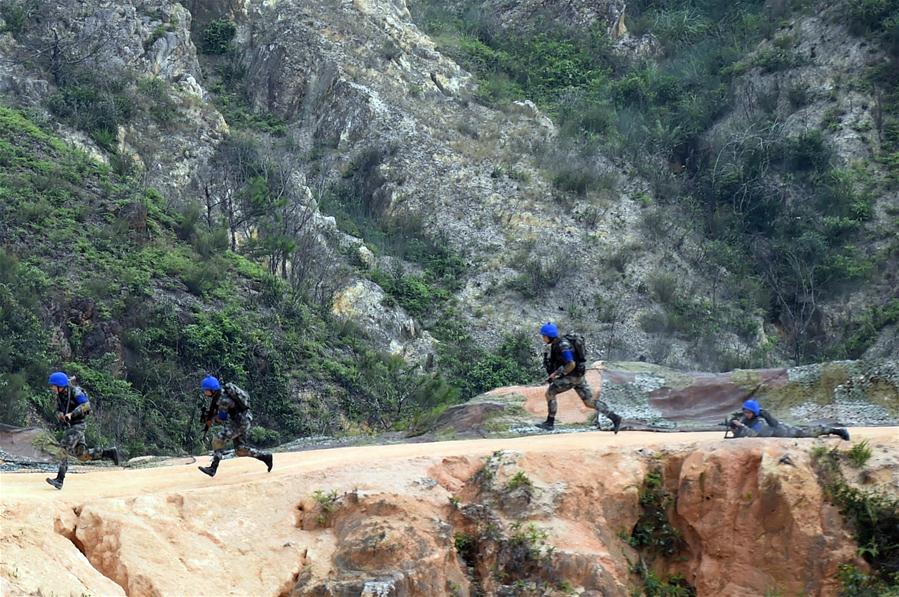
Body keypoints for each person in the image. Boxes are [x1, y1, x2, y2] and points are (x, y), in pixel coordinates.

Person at [536, 322, 622, 433]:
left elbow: (571, 364)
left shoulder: (563, 346)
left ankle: (550, 423)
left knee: (550, 393)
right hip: (578, 376)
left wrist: (558, 374)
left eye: (543, 336)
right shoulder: (557, 344)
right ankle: (615, 417)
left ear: (549, 336)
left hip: (572, 376)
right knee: (589, 402)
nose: (543, 338)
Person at [45, 372, 121, 490]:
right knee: (82, 455)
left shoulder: (75, 392)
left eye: (54, 386)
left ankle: (59, 479)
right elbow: (59, 409)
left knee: (63, 448)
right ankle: (109, 453)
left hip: (78, 425)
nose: (52, 388)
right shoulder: (60, 395)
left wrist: (72, 414)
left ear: (60, 385)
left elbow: (86, 405)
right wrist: (60, 415)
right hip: (72, 426)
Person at [197, 375, 273, 477]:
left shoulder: (222, 399)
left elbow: (221, 418)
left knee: (218, 439)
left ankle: (213, 468)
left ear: (212, 390)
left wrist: (213, 417)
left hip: (240, 423)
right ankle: (266, 456)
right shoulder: (220, 394)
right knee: (240, 450)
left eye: (206, 390)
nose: (205, 392)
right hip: (242, 420)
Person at [728, 399, 850, 440]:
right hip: (780, 431)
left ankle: (836, 431)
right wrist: (734, 424)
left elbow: (754, 435)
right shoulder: (749, 418)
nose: (746, 415)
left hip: (788, 432)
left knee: (809, 432)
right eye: (745, 412)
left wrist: (741, 426)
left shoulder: (761, 421)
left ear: (753, 412)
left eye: (748, 412)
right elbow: (741, 424)